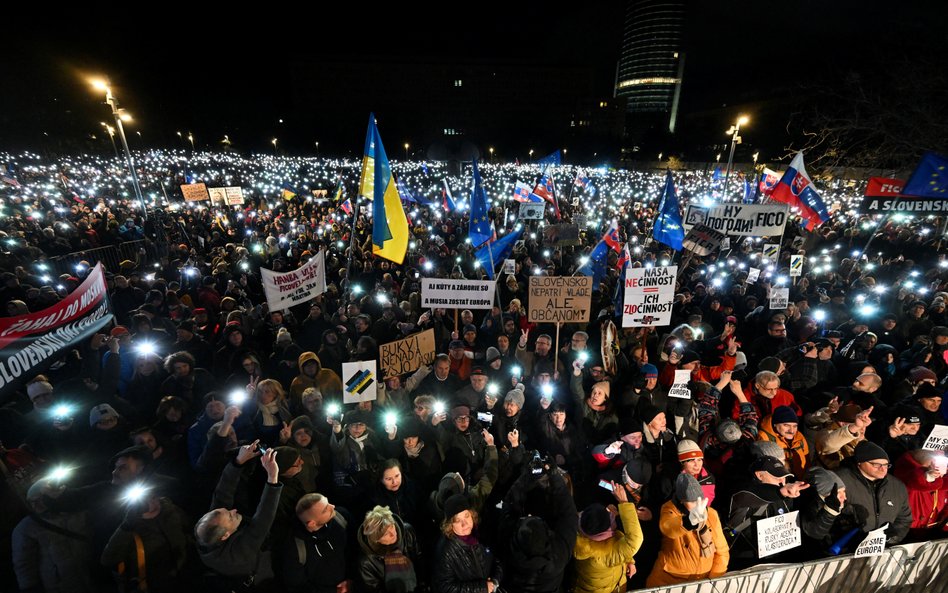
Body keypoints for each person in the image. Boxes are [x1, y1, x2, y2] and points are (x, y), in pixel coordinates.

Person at [194, 445, 282, 589]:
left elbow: (222, 493)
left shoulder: (207, 531)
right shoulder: (238, 554)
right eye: (230, 516)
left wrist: (238, 462)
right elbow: (264, 518)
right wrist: (273, 477)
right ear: (225, 535)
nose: (234, 510)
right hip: (263, 581)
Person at [646, 474, 728, 587]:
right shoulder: (669, 509)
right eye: (692, 502)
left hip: (702, 582)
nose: (697, 506)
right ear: (681, 501)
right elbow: (668, 528)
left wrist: (712, 582)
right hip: (670, 580)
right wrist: (689, 521)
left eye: (699, 500)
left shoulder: (711, 514)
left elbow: (722, 552)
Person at [834, 441, 913, 552]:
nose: (883, 469)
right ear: (860, 463)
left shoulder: (897, 486)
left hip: (880, 550)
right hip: (844, 551)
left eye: (886, 465)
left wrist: (891, 538)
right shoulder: (839, 479)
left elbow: (904, 518)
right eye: (876, 465)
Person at [573, 479, 644, 593]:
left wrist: (628, 560)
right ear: (605, 530)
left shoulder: (579, 531)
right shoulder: (605, 554)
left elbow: (620, 548)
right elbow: (634, 540)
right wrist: (624, 502)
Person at [433, 493, 503, 593]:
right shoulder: (445, 550)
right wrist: (482, 588)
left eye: (466, 516)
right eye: (457, 520)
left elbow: (496, 561)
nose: (464, 524)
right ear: (450, 525)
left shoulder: (481, 534)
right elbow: (444, 587)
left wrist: (495, 580)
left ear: (472, 515)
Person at [282, 493, 350, 593]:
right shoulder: (294, 548)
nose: (333, 507)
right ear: (312, 523)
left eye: (328, 502)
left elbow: (354, 550)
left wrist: (352, 580)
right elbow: (297, 586)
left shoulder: (341, 517)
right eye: (325, 509)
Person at [357, 505, 421, 593]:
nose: (393, 533)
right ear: (377, 540)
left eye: (392, 526)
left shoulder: (407, 532)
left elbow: (420, 563)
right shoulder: (366, 563)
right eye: (386, 533)